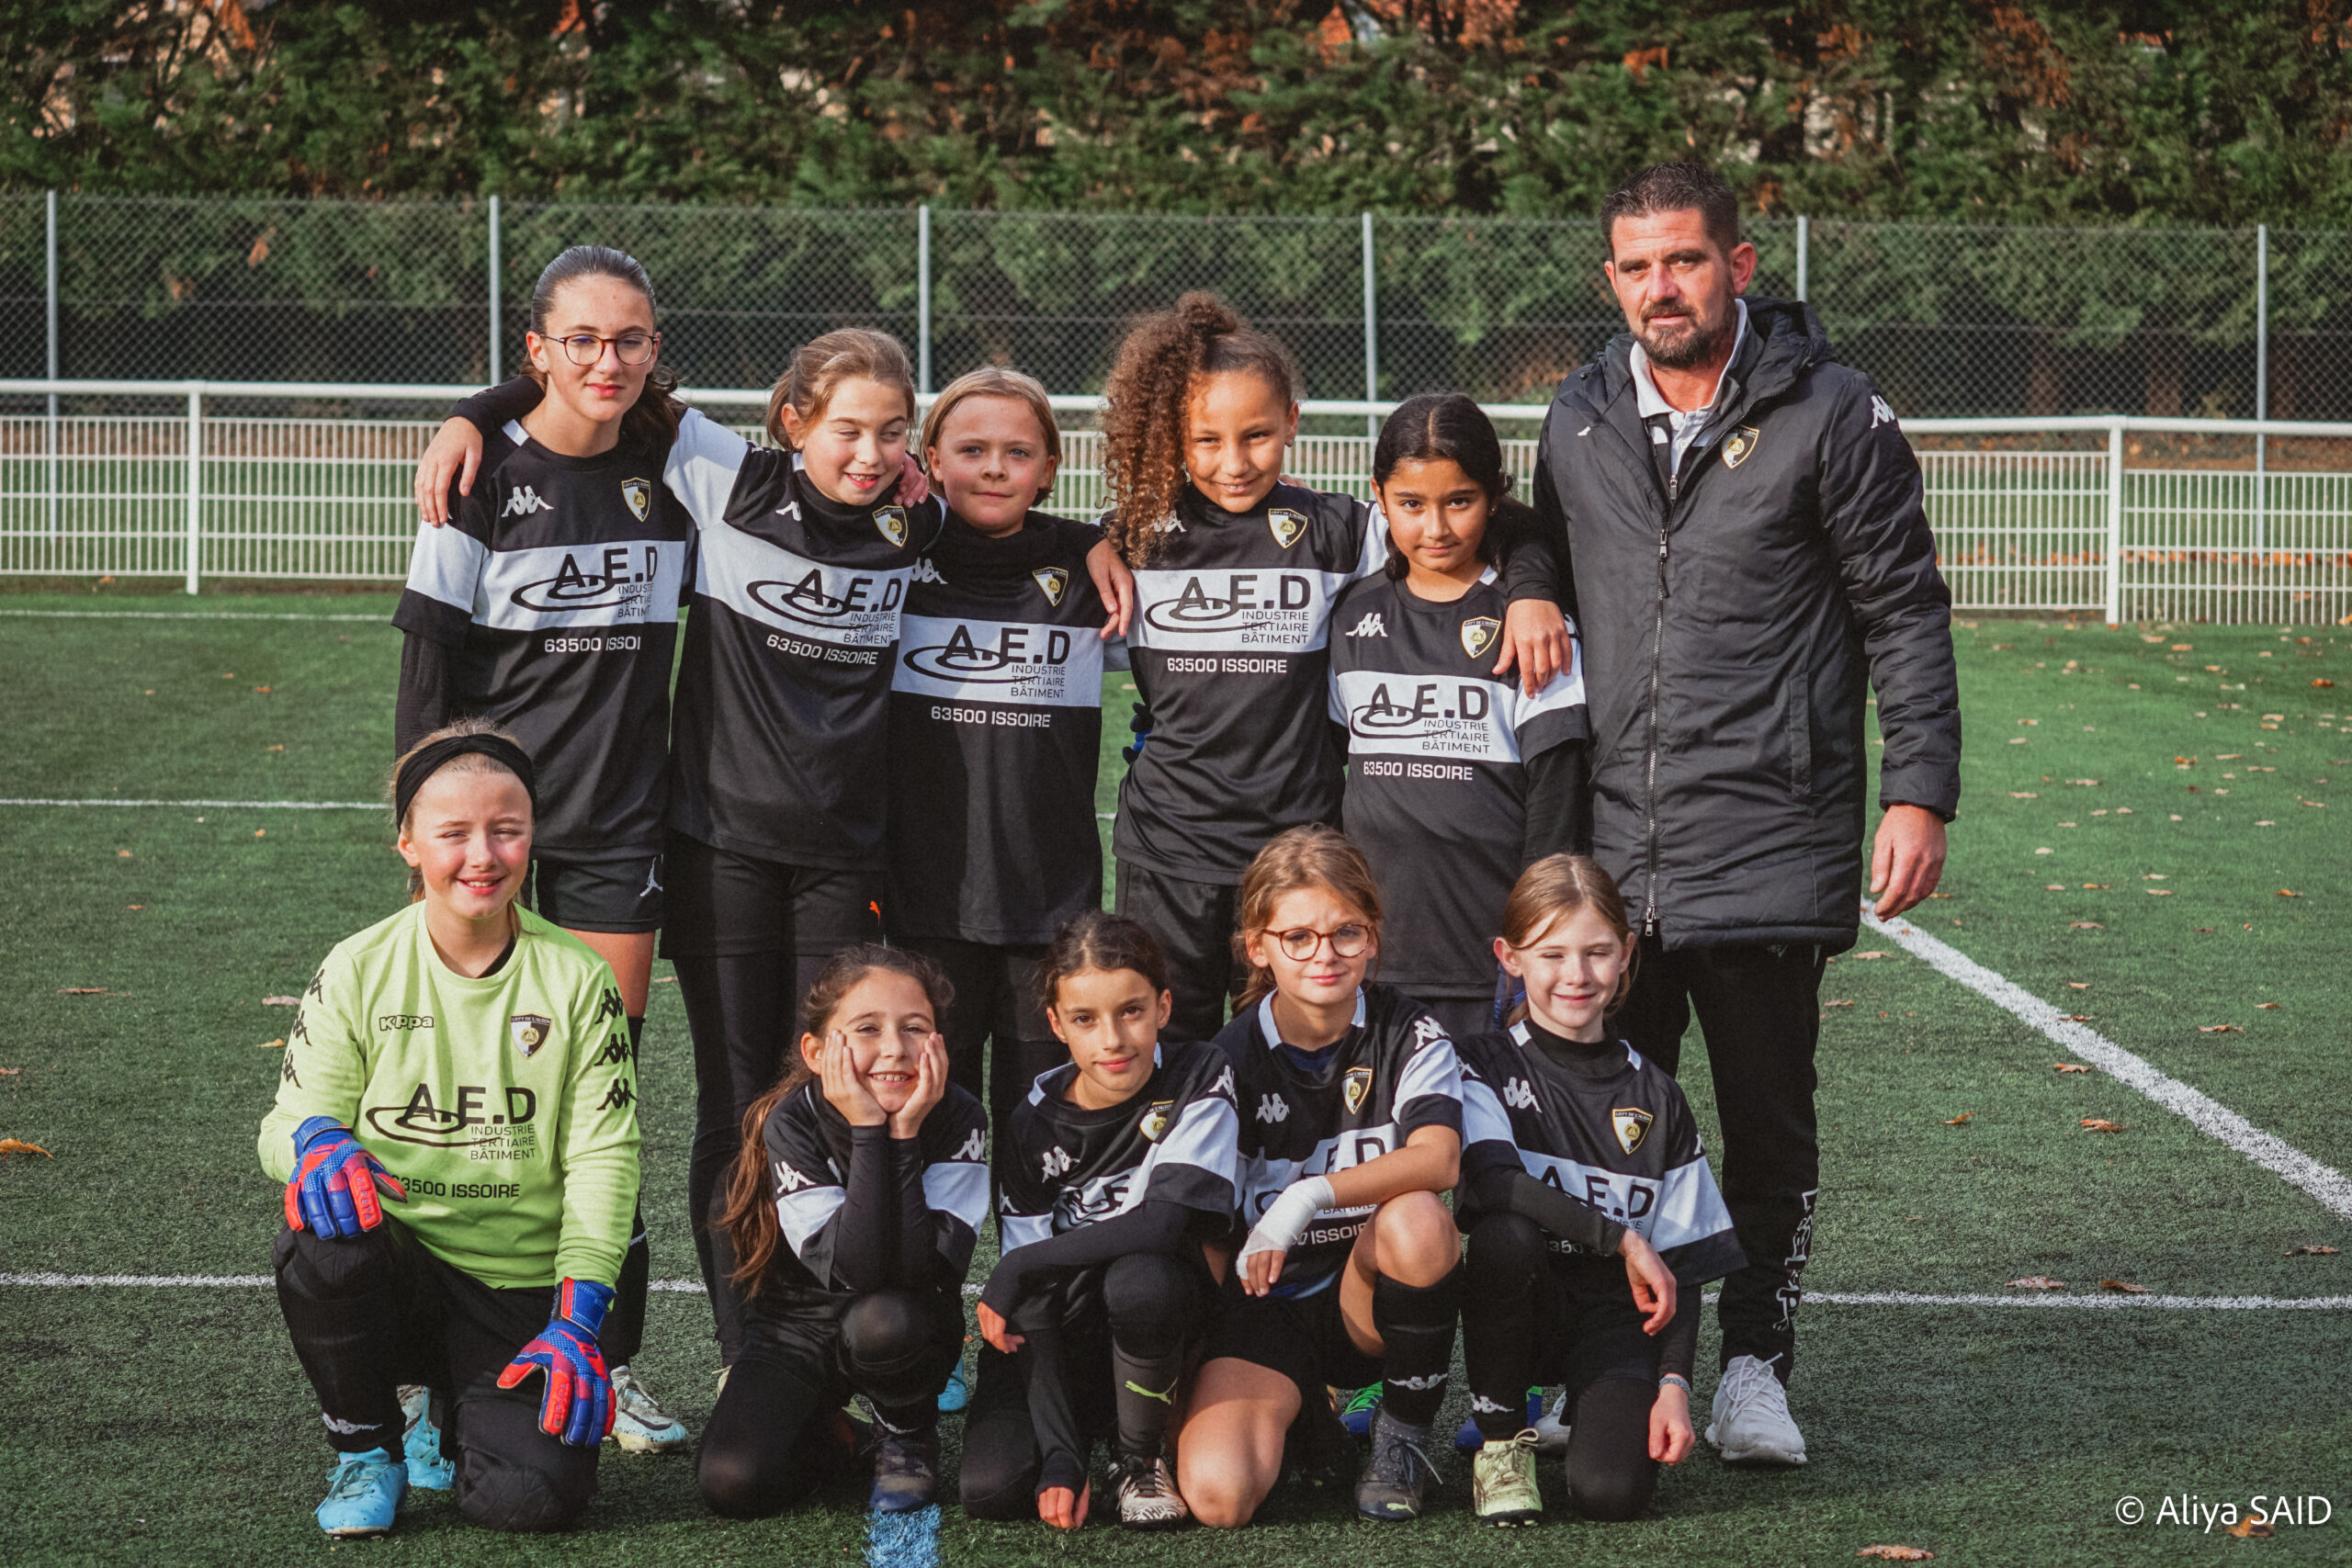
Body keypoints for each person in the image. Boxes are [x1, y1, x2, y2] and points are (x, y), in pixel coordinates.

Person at [411, 332, 1130, 1363]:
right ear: (794, 422)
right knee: (736, 1104)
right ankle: (746, 1351)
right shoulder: (726, 474)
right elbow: (606, 382)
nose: (869, 453)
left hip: (847, 861)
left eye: (891, 432)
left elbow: (1001, 523)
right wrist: (473, 414)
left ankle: (831, 1343)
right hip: (721, 849)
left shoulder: (916, 522)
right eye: (847, 429)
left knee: (827, 1097)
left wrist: (1090, 537)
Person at [1529, 162, 1962, 1466]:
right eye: (1637, 266)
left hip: (1770, 837)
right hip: (1616, 852)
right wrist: (1533, 582)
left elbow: (1903, 609)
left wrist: (1918, 790)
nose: (1661, 287)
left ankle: (1757, 1366)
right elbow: (1545, 543)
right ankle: (1604, 1361)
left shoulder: (1832, 410)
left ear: (1739, 264)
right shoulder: (1579, 413)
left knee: (1767, 1126)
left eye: (1684, 259)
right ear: (1611, 279)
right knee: (1601, 1121)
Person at [392, 243, 688, 1453]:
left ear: (655, 348)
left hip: (620, 830)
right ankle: (430, 1376)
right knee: (471, 1101)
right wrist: (428, 825)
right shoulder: (478, 480)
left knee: (599, 1098)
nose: (606, 361)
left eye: (630, 339)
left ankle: (605, 1362)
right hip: (489, 840)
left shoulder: (676, 467)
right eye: (582, 340)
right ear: (538, 349)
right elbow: (427, 667)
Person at [1099, 292, 1570, 1042]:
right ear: (1173, 436)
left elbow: (1474, 510)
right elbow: (1030, 544)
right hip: (1167, 851)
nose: (1233, 462)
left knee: (1288, 1055)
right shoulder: (1135, 538)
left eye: (1257, 435)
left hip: (1296, 856)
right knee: (1165, 1049)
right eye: (1206, 440)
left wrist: (1533, 588)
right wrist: (1089, 545)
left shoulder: (1338, 530)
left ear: (1292, 421)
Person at [259, 720, 641, 1538]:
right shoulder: (358, 966)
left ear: (533, 835)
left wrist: (578, 1315)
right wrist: (316, 1141)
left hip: (518, 1290)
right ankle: (369, 1450)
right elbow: (287, 1120)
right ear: (408, 843)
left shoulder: (578, 978)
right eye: (454, 833)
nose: (483, 855)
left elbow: (605, 1158)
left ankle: (456, 1411)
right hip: (402, 1270)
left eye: (507, 830)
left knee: (529, 1500)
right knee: (322, 1237)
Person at [1176, 826, 1465, 1527]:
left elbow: (1440, 1157)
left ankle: (1401, 1436)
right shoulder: (1224, 1060)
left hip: (1361, 1301)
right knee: (1220, 1496)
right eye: (1298, 937)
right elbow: (1202, 1234)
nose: (1324, 954)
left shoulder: (1408, 1030)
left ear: (1373, 937)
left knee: (1420, 1217)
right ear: (1258, 946)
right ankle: (1305, 1409)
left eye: (1345, 932)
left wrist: (1307, 1195)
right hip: (1262, 1306)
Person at [1454, 854, 1744, 1526]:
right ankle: (1501, 1442)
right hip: (1525, 1303)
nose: (1577, 975)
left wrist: (1674, 1385)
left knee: (1610, 1495)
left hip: (1616, 1319)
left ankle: (1594, 1410)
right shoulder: (1481, 1064)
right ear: (1510, 957)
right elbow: (1494, 1179)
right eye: (1552, 954)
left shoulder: (1657, 1096)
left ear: (1627, 954)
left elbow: (1683, 1262)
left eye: (1597, 952)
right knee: (1504, 1234)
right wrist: (1621, 1238)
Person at [887, 367, 1120, 1140]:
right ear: (930, 458)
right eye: (972, 449)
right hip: (924, 905)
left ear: (1050, 468)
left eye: (1018, 452)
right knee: (929, 1126)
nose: (994, 468)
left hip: (1049, 908)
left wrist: (1093, 539)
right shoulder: (889, 557)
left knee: (1040, 1131)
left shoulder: (1087, 570)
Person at [960, 910, 1239, 1531]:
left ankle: (1140, 1454)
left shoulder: (1199, 1073)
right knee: (993, 1489)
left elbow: (1163, 1224)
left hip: (1158, 1326)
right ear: (1056, 1024)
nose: (1112, 1038)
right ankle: (1086, 1437)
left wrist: (1020, 1261)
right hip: (1063, 1342)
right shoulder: (1032, 1121)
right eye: (1085, 1019)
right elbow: (1034, 1305)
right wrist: (1061, 1453)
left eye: (1131, 1011)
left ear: (1163, 1007)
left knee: (1142, 1276)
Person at [1329, 392, 1592, 1041]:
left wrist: (1536, 935)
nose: (1436, 527)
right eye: (1411, 504)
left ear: (1495, 496)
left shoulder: (1534, 625)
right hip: (1376, 956)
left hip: (1491, 953)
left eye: (1460, 501)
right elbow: (1328, 774)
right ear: (1378, 497)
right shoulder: (1352, 616)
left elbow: (1557, 799)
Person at [697, 945, 989, 1518]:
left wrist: (900, 1134)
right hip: (798, 1326)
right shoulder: (792, 1120)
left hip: (904, 1318)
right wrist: (868, 1127)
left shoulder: (959, 1117)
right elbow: (848, 1266)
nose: (894, 1048)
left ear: (939, 1043)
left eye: (914, 1027)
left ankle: (906, 1433)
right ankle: (840, 1436)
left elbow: (907, 1274)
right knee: (731, 1482)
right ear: (816, 1051)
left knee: (883, 1320)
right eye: (867, 1029)